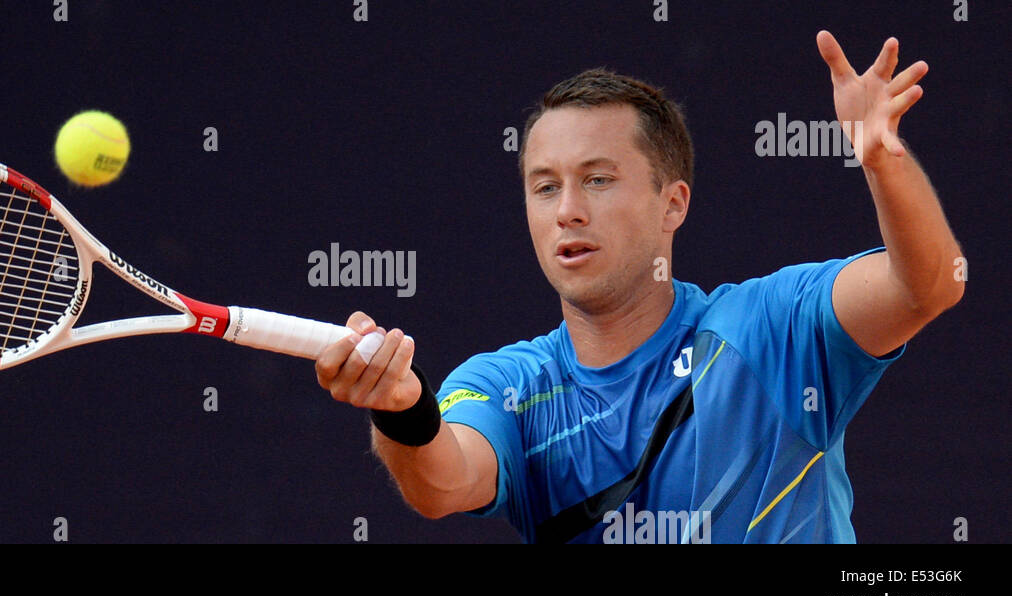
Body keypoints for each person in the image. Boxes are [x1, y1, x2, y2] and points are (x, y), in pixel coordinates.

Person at [314, 32, 964, 543]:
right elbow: (441, 482)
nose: (567, 209)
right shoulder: (506, 385)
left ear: (671, 204)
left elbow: (927, 286)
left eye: (598, 179)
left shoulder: (769, 330)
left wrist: (882, 159)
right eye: (545, 186)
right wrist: (400, 408)